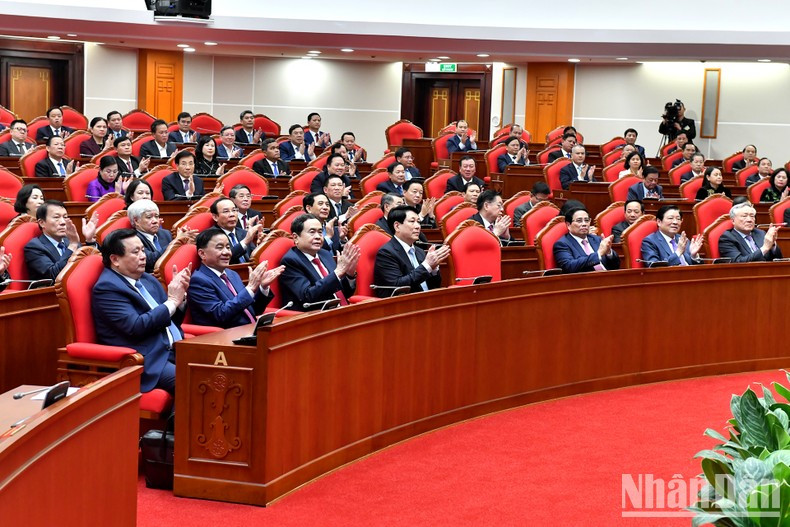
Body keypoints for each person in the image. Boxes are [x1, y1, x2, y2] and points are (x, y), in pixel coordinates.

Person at [92, 228, 191, 395]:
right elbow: (136, 327)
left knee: (222, 368)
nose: (143, 256)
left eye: (143, 250)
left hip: (174, 349)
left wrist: (180, 301)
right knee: (190, 379)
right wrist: (172, 302)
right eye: (135, 252)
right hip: (148, 359)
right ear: (115, 259)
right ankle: (177, 422)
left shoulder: (147, 279)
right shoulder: (107, 288)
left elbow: (170, 319)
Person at [188, 228, 283, 328]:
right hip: (225, 338)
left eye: (228, 247)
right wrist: (250, 288)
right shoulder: (198, 281)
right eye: (220, 248)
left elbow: (252, 310)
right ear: (202, 254)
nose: (226, 252)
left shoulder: (232, 274)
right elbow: (220, 314)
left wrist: (263, 287)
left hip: (250, 331)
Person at [280, 214, 359, 311]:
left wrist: (349, 275)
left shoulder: (325, 254)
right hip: (314, 318)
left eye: (320, 232)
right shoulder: (291, 261)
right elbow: (307, 296)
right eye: (312, 232)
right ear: (296, 237)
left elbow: (342, 292)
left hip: (340, 312)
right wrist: (338, 272)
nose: (318, 237)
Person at [373, 206, 449, 296]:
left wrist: (433, 269)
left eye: (418, 222)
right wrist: (427, 266)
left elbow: (434, 286)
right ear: (397, 226)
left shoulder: (420, 251)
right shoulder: (386, 253)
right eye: (412, 221)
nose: (417, 226)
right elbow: (397, 286)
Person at [24, 200, 99, 280]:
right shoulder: (34, 247)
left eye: (65, 217)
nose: (63, 222)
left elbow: (91, 267)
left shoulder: (68, 240)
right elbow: (53, 275)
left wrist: (90, 240)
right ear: (42, 223)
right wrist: (73, 245)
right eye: (56, 217)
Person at [553, 207, 620, 273]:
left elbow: (616, 266)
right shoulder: (562, 244)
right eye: (579, 221)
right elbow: (569, 267)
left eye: (587, 220)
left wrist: (609, 253)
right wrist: (598, 254)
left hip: (607, 279)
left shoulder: (597, 239)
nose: (584, 224)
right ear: (568, 225)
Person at [211, 197, 263, 264]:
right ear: (215, 217)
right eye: (226, 211)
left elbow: (253, 258)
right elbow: (222, 259)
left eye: (234, 210)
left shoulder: (243, 233)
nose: (232, 214)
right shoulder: (211, 236)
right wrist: (245, 241)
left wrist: (261, 244)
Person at [129, 199, 174, 273]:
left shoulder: (166, 234)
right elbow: (150, 260)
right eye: (149, 217)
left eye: (156, 216)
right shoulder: (133, 239)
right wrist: (175, 243)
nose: (155, 221)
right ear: (136, 221)